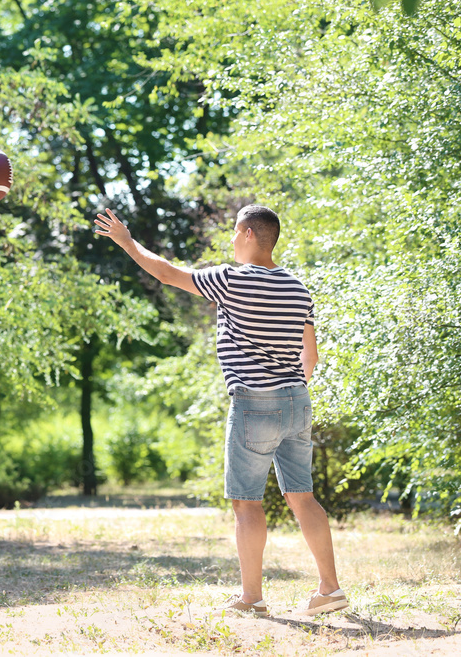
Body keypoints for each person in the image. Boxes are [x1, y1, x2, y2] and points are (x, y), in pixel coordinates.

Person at [94, 205, 348, 617]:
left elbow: (165, 273)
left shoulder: (230, 279)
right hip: (297, 399)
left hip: (253, 402)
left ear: (248, 234)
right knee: (303, 496)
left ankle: (251, 599)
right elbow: (311, 356)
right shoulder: (299, 289)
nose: (231, 241)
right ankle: (330, 589)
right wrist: (289, 391)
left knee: (247, 503)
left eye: (234, 232)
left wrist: (126, 240)